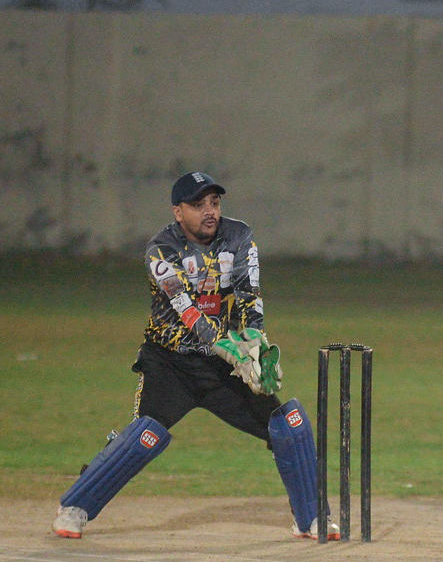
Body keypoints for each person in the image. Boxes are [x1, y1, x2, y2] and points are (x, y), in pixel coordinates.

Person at [52, 171, 338, 541]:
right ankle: (75, 506)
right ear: (178, 212)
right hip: (170, 364)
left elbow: (249, 294)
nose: (209, 211)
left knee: (287, 426)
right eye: (198, 205)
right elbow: (186, 310)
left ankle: (311, 517)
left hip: (223, 369)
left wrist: (255, 345)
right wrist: (229, 348)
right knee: (140, 439)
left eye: (214, 203)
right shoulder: (161, 249)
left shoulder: (238, 236)